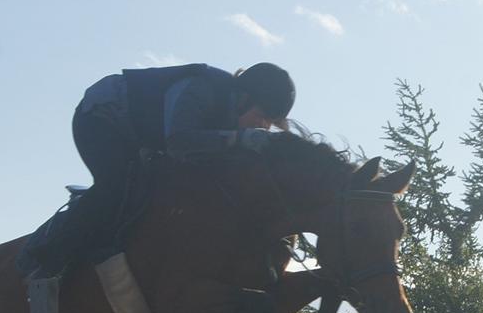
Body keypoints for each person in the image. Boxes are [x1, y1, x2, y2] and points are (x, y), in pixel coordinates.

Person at [23, 62, 296, 277]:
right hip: (102, 117)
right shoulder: (200, 88)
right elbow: (178, 141)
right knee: (117, 187)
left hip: (141, 135)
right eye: (261, 117)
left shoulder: (233, 112)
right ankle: (45, 256)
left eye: (269, 123)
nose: (262, 127)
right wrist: (238, 140)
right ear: (243, 98)